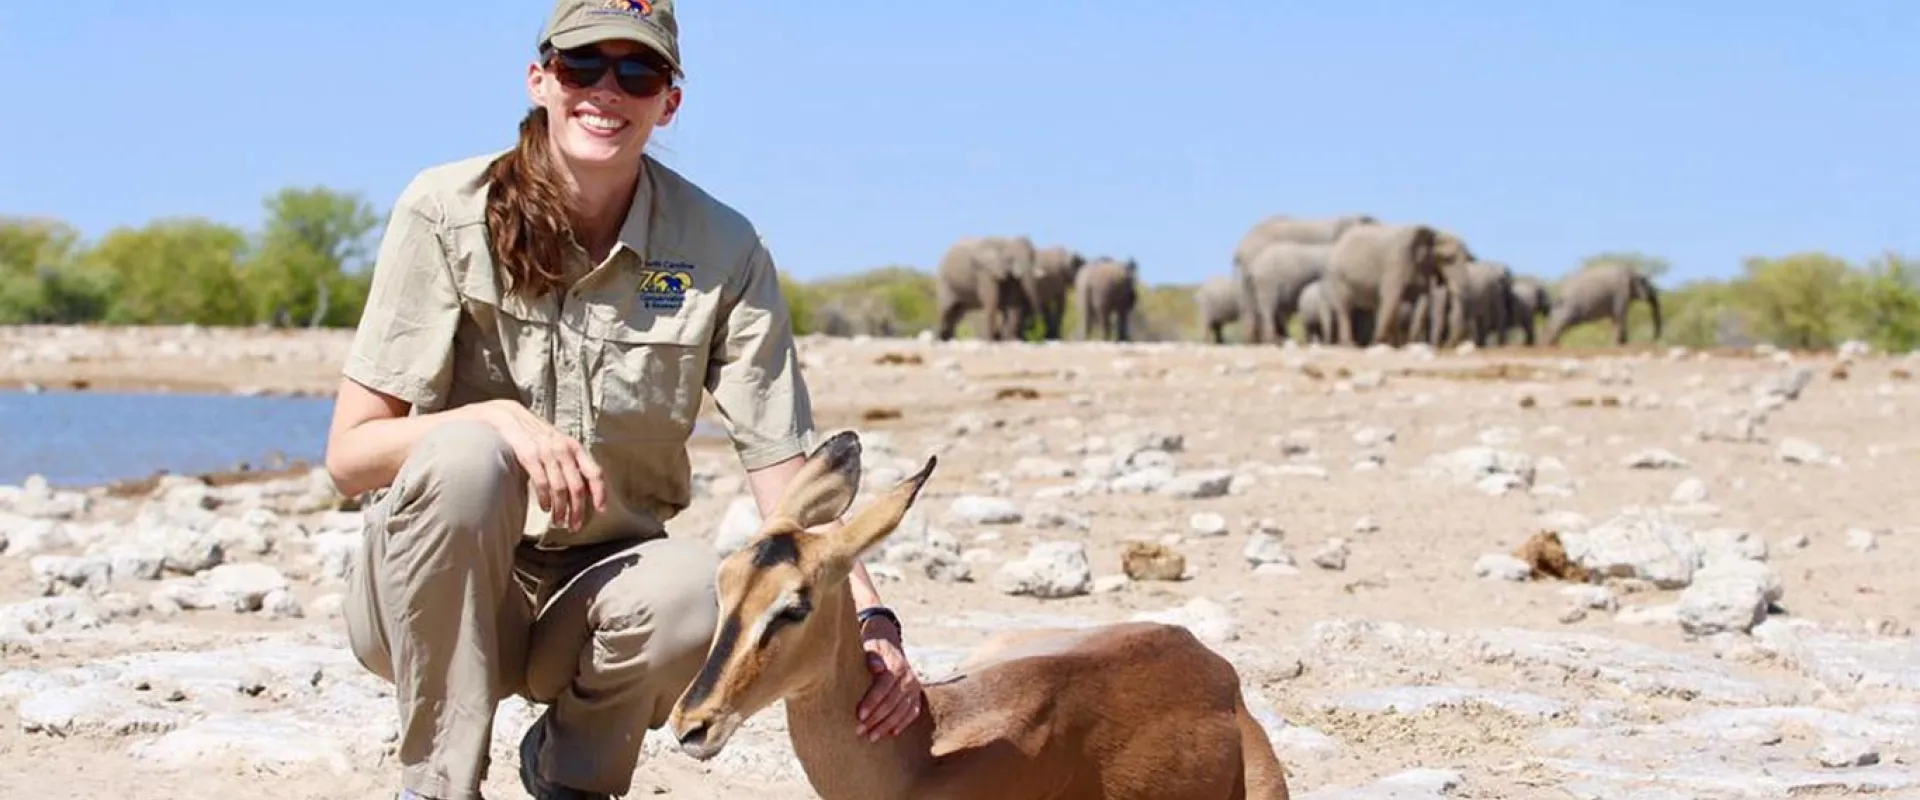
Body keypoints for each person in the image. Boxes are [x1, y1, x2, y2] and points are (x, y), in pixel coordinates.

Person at [323, 2, 923, 798]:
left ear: (668, 101)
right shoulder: (442, 210)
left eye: (637, 72)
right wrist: (496, 419)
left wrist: (874, 624)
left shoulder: (722, 249)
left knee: (693, 589)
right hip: (433, 602)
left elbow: (788, 478)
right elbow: (349, 455)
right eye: (582, 67)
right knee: (467, 456)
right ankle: (436, 786)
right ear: (540, 80)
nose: (607, 90)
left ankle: (571, 776)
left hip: (599, 599)